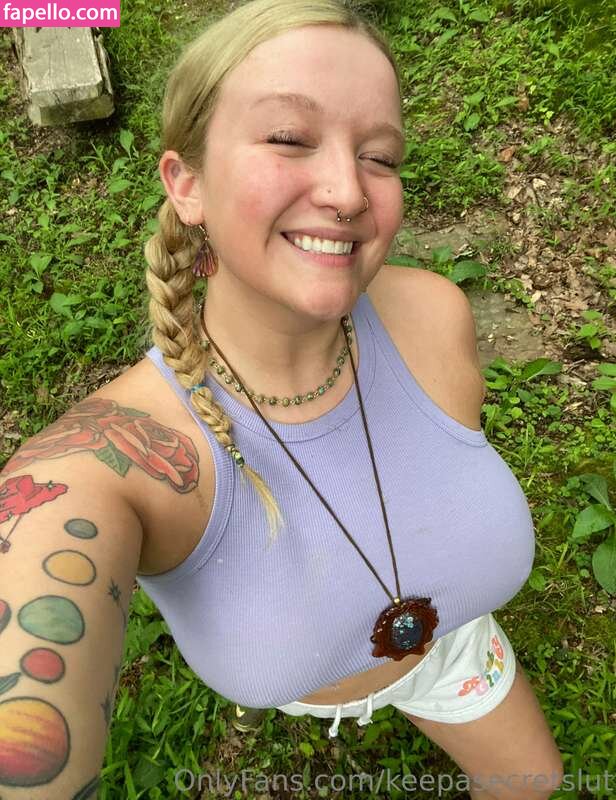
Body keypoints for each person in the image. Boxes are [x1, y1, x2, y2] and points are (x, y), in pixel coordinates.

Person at [0, 1, 564, 797]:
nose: (348, 191)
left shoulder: (436, 317)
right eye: (289, 138)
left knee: (533, 784)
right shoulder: (113, 461)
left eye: (380, 156)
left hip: (453, 656)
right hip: (309, 684)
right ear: (186, 184)